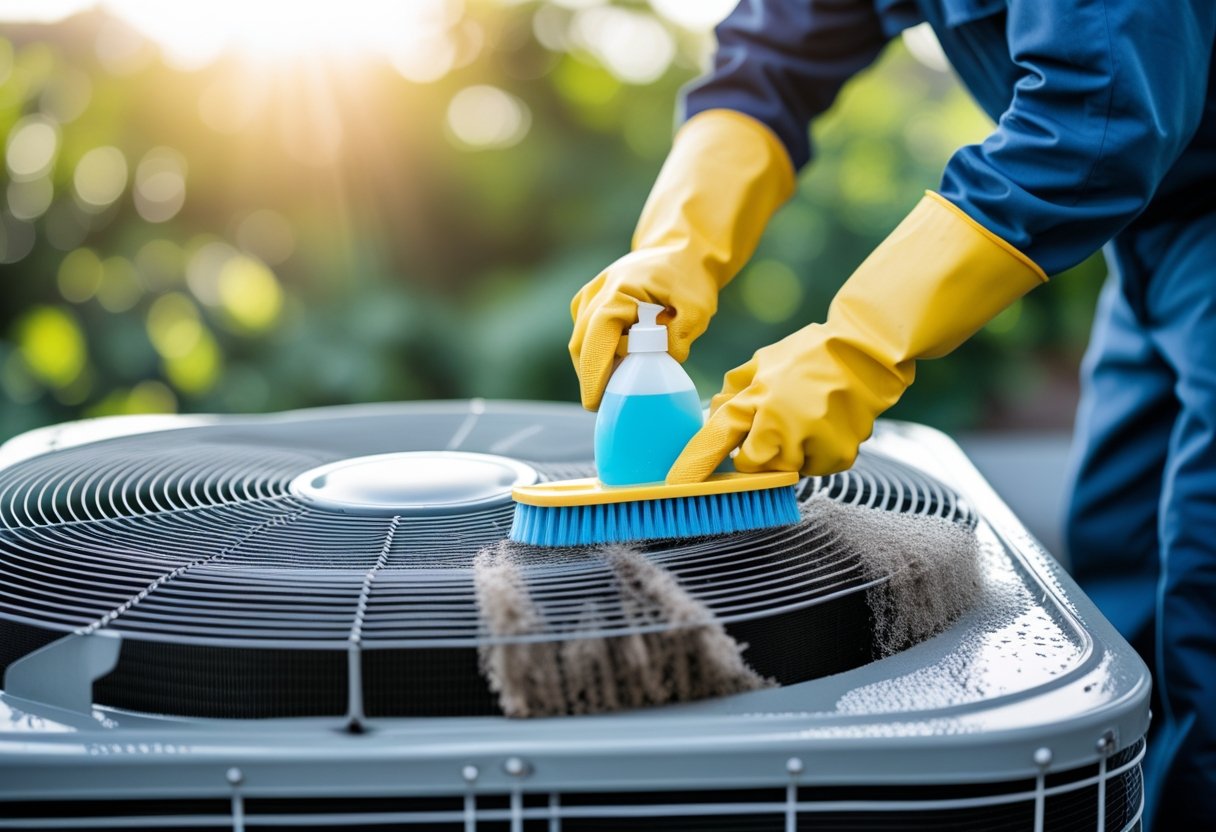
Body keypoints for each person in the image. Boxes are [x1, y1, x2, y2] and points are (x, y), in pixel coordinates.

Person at [566, 1, 1216, 827]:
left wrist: (863, 340)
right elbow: (773, 51)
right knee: (1121, 554)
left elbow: (1099, 114)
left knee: (1206, 594)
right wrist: (675, 241)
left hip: (1173, 186)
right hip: (1153, 228)